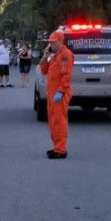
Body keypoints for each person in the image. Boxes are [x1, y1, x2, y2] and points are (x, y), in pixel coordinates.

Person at [40, 30, 73, 159]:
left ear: (60, 41)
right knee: (53, 121)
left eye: (53, 42)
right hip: (52, 94)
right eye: (50, 43)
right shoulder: (54, 56)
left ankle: (61, 150)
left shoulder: (66, 55)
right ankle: (56, 147)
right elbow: (44, 71)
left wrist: (61, 91)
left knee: (59, 121)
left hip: (60, 93)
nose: (51, 45)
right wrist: (45, 57)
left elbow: (66, 75)